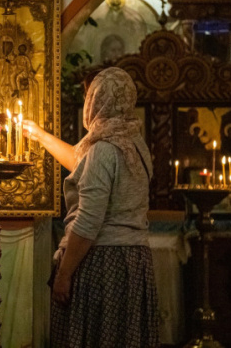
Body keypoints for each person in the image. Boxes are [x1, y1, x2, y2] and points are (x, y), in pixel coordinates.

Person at [23, 67, 159, 348]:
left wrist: (64, 274)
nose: (87, 102)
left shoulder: (103, 150)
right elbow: (80, 161)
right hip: (133, 261)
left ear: (100, 99)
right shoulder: (135, 144)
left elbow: (88, 221)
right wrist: (41, 136)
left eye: (89, 95)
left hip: (103, 263)